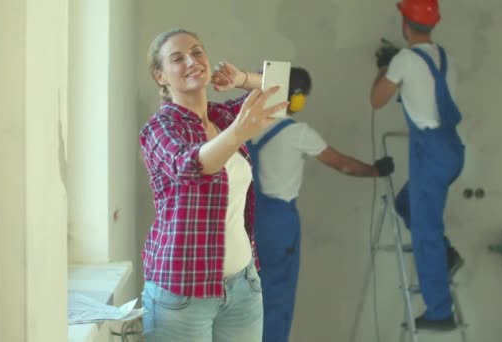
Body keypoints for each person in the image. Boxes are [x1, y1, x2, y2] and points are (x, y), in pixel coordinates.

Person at [212, 63, 394, 341]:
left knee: (244, 295)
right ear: (296, 97)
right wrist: (376, 170)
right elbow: (342, 164)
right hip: (278, 223)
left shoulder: (245, 127)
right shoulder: (297, 132)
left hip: (243, 219)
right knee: (276, 296)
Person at [139, 28, 289, 342]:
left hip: (242, 287)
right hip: (181, 295)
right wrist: (237, 132)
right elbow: (191, 166)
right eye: (177, 58)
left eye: (197, 52)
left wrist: (243, 80)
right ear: (161, 77)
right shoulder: (159, 128)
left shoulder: (222, 117)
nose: (192, 61)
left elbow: (282, 88)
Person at [370, 0, 465, 331]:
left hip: (430, 151)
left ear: (404, 24)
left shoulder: (405, 60)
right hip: (451, 149)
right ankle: (446, 255)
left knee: (426, 233)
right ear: (433, 24)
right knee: (406, 203)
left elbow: (376, 99)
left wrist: (385, 67)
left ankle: (440, 311)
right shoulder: (446, 58)